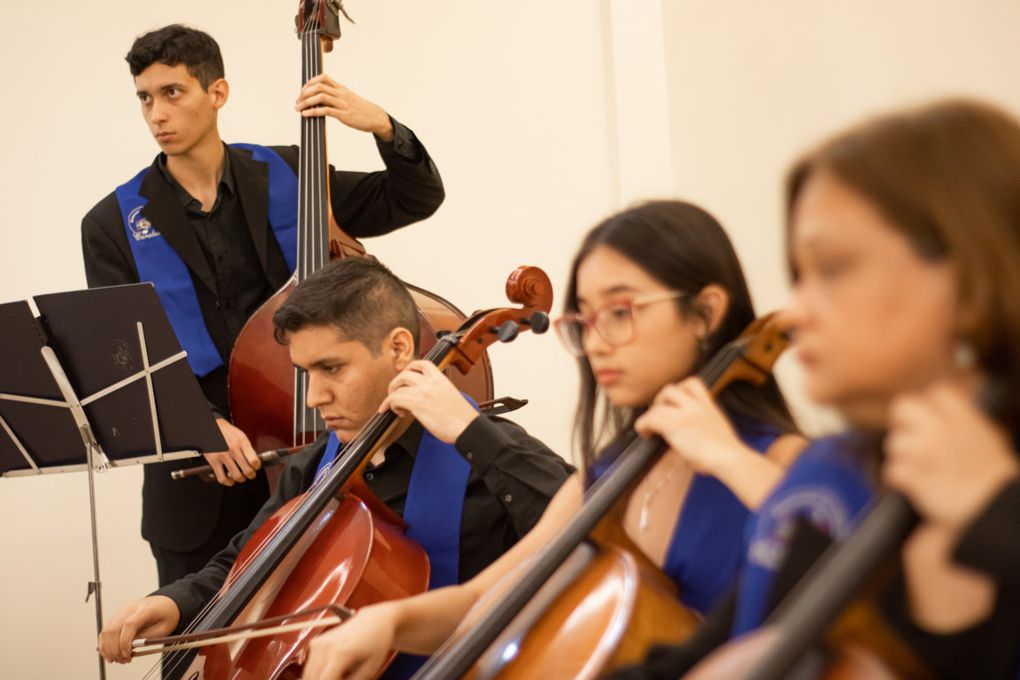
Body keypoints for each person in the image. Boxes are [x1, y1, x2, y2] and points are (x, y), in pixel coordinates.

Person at [298, 200, 806, 680]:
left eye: (621, 311)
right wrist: (386, 623)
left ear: (706, 313)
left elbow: (848, 555)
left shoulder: (783, 462)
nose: (595, 344)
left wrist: (725, 454)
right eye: (584, 319)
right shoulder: (607, 476)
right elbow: (483, 602)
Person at [612, 100, 1020, 679]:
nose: (798, 313)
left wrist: (996, 520)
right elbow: (696, 663)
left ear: (974, 278)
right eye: (798, 275)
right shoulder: (825, 480)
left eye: (831, 269)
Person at [80, 24, 446, 587]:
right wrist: (202, 427)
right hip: (198, 485)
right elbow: (121, 364)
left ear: (217, 93)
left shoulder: (291, 173)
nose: (157, 113)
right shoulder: (110, 225)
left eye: (173, 93)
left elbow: (413, 197)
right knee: (196, 656)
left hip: (314, 456)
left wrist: (382, 125)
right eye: (145, 98)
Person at [96, 256, 573, 679]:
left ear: (400, 349)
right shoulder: (315, 467)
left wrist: (472, 432)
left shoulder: (483, 450)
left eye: (332, 368)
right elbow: (247, 563)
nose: (313, 397)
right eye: (306, 372)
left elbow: (588, 519)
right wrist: (172, 603)